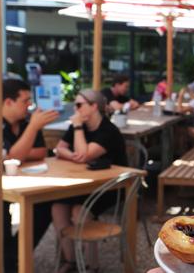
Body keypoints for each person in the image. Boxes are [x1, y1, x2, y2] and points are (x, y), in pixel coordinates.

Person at [0, 79, 59, 272]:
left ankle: (13, 256)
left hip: (19, 183)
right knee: (0, 220)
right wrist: (30, 133)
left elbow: (40, 152)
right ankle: (10, 263)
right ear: (8, 103)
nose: (30, 105)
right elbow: (12, 156)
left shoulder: (26, 121)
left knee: (44, 205)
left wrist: (13, 153)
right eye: (25, 100)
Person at [51, 89, 127, 272]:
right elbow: (59, 148)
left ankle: (93, 265)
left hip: (110, 187)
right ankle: (71, 261)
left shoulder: (108, 130)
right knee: (57, 208)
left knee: (78, 212)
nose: (75, 110)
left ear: (94, 107)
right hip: (82, 185)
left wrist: (77, 129)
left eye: (79, 105)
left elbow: (84, 155)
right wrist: (74, 155)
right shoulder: (80, 124)